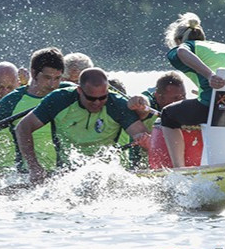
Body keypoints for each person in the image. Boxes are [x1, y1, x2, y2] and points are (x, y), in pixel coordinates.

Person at [159, 12, 225, 167]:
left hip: (216, 109)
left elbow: (182, 52)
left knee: (168, 115)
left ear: (178, 40)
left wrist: (209, 75)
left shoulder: (187, 46)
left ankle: (178, 170)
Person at [16, 68, 150, 183]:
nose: (97, 103)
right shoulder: (59, 100)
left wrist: (144, 141)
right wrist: (34, 167)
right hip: (66, 173)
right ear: (79, 90)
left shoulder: (118, 104)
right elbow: (23, 128)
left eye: (102, 97)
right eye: (91, 98)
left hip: (107, 174)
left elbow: (145, 137)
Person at [0, 47, 68, 173]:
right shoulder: (14, 100)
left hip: (64, 174)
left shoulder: (68, 93)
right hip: (27, 174)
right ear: (33, 73)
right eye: (47, 78)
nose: (53, 85)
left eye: (57, 78)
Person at [126, 71, 196, 168]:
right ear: (158, 97)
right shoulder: (149, 103)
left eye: (183, 96)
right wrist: (138, 100)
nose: (181, 101)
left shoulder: (183, 107)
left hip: (169, 160)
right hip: (141, 164)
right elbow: (144, 99)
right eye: (176, 98)